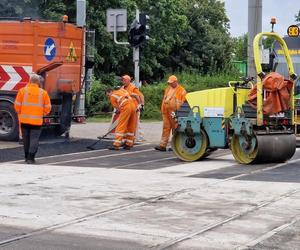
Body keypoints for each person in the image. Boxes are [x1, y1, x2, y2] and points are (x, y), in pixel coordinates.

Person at [14, 73, 51, 164]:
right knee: (34, 139)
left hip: (24, 121)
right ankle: (31, 158)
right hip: (37, 122)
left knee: (26, 139)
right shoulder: (43, 93)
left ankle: (26, 157)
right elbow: (48, 108)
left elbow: (16, 106)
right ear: (38, 82)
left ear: (29, 81)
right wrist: (42, 113)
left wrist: (21, 112)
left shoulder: (22, 91)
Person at [155, 75, 186, 151]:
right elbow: (165, 99)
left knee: (176, 128)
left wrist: (179, 113)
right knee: (166, 128)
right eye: (169, 83)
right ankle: (162, 145)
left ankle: (175, 145)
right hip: (166, 112)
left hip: (175, 113)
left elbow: (184, 103)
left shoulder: (182, 90)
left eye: (171, 82)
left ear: (176, 82)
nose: (170, 84)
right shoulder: (168, 89)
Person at [120, 74, 145, 141]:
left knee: (135, 123)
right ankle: (129, 138)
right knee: (128, 124)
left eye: (124, 80)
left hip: (135, 108)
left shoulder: (133, 88)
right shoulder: (122, 88)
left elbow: (141, 96)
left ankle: (139, 137)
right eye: (122, 80)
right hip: (126, 108)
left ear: (128, 81)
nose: (123, 81)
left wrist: (142, 105)